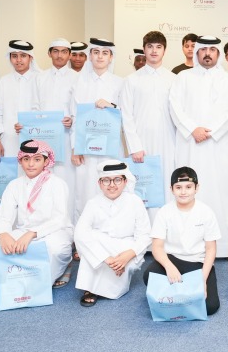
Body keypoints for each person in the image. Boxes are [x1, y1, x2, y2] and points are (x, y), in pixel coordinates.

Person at [168, 35, 228, 258]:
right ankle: (186, 247)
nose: (207, 53)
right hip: (190, 144)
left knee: (219, 192)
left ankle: (223, 247)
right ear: (196, 52)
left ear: (218, 54)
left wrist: (211, 131)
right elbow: (175, 106)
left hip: (218, 146)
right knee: (189, 190)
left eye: (212, 49)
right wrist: (193, 129)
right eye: (203, 50)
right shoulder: (182, 77)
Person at [0, 139, 75, 290]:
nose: (31, 164)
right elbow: (4, 217)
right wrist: (3, 234)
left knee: (54, 248)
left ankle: (63, 266)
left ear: (45, 161)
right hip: (24, 231)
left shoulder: (57, 183)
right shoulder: (14, 185)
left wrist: (32, 234)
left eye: (37, 159)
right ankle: (12, 286)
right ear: (21, 161)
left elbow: (59, 219)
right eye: (26, 159)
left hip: (55, 232)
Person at [144, 166, 220, 315]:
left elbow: (211, 249)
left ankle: (177, 294)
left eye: (188, 187)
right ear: (171, 189)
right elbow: (157, 247)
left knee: (210, 307)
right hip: (173, 260)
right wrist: (168, 267)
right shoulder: (164, 212)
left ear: (196, 188)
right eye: (178, 187)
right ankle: (181, 293)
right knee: (148, 275)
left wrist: (202, 280)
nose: (183, 192)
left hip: (197, 262)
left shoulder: (206, 212)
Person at [117, 30, 177, 219]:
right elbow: (126, 115)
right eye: (150, 47)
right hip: (140, 142)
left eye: (158, 47)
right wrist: (135, 146)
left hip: (169, 141)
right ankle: (143, 237)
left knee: (166, 185)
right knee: (140, 188)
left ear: (164, 51)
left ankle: (164, 235)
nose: (154, 51)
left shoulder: (174, 79)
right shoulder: (131, 80)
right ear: (144, 50)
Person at [74, 162, 151, 306]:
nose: (112, 185)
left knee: (114, 287)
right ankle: (90, 289)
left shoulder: (135, 201)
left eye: (117, 180)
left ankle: (102, 286)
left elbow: (145, 235)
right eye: (106, 180)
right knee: (88, 236)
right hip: (101, 249)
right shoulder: (93, 203)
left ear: (125, 181)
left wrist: (127, 255)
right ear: (100, 183)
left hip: (126, 248)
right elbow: (80, 233)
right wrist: (106, 258)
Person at [70, 38, 123, 219]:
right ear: (90, 56)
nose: (100, 56)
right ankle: (82, 239)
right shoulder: (79, 83)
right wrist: (74, 148)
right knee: (84, 192)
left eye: (105, 53)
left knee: (112, 187)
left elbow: (127, 115)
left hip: (111, 149)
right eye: (96, 52)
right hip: (85, 150)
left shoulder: (120, 83)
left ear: (111, 57)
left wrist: (112, 106)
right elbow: (74, 117)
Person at [37, 37, 78, 213]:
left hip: (67, 137)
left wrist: (72, 119)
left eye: (63, 51)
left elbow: (79, 108)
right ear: (49, 53)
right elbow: (35, 106)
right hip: (44, 137)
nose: (59, 55)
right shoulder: (40, 77)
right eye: (55, 51)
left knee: (67, 180)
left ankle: (68, 225)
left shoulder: (78, 78)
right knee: (44, 180)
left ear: (69, 55)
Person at [0, 39, 40, 162]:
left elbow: (43, 111)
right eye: (14, 56)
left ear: (31, 58)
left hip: (35, 139)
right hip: (8, 141)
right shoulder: (4, 81)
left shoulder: (40, 79)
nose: (18, 60)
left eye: (23, 56)